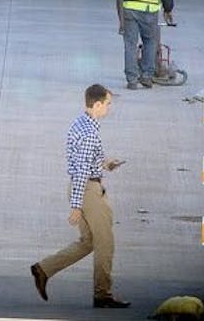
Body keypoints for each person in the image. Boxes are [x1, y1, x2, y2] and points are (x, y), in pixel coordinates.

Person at [29, 84, 129, 309]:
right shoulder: (89, 133)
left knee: (88, 242)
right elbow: (83, 169)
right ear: (97, 104)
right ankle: (102, 294)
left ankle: (44, 269)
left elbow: (84, 160)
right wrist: (76, 206)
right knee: (105, 243)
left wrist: (105, 163)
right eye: (108, 104)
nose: (109, 108)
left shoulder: (81, 123)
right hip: (88, 192)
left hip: (80, 187)